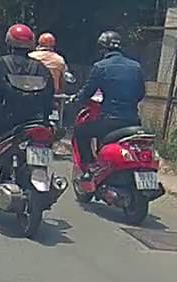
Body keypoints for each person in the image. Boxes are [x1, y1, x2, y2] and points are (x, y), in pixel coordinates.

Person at [0, 24, 54, 189]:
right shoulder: (41, 68)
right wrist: (45, 117)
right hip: (35, 121)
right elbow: (49, 98)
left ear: (9, 42)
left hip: (5, 120)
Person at [73, 30, 146, 179]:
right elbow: (140, 93)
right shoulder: (136, 66)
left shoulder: (100, 67)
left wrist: (76, 100)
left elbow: (87, 92)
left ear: (102, 49)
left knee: (81, 132)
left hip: (110, 121)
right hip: (133, 121)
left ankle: (90, 167)